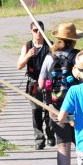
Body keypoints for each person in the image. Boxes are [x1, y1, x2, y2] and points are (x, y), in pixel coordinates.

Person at [37, 22, 83, 165]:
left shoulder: (50, 56)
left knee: (63, 145)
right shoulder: (78, 57)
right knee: (82, 144)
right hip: (78, 107)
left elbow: (41, 83)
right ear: (73, 40)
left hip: (56, 108)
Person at [15, 20, 51, 149]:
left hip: (49, 83)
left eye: (40, 30)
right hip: (34, 83)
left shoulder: (50, 45)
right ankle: (39, 139)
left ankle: (50, 134)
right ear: (31, 31)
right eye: (35, 30)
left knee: (50, 111)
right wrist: (28, 56)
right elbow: (19, 65)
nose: (38, 33)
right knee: (36, 111)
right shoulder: (27, 46)